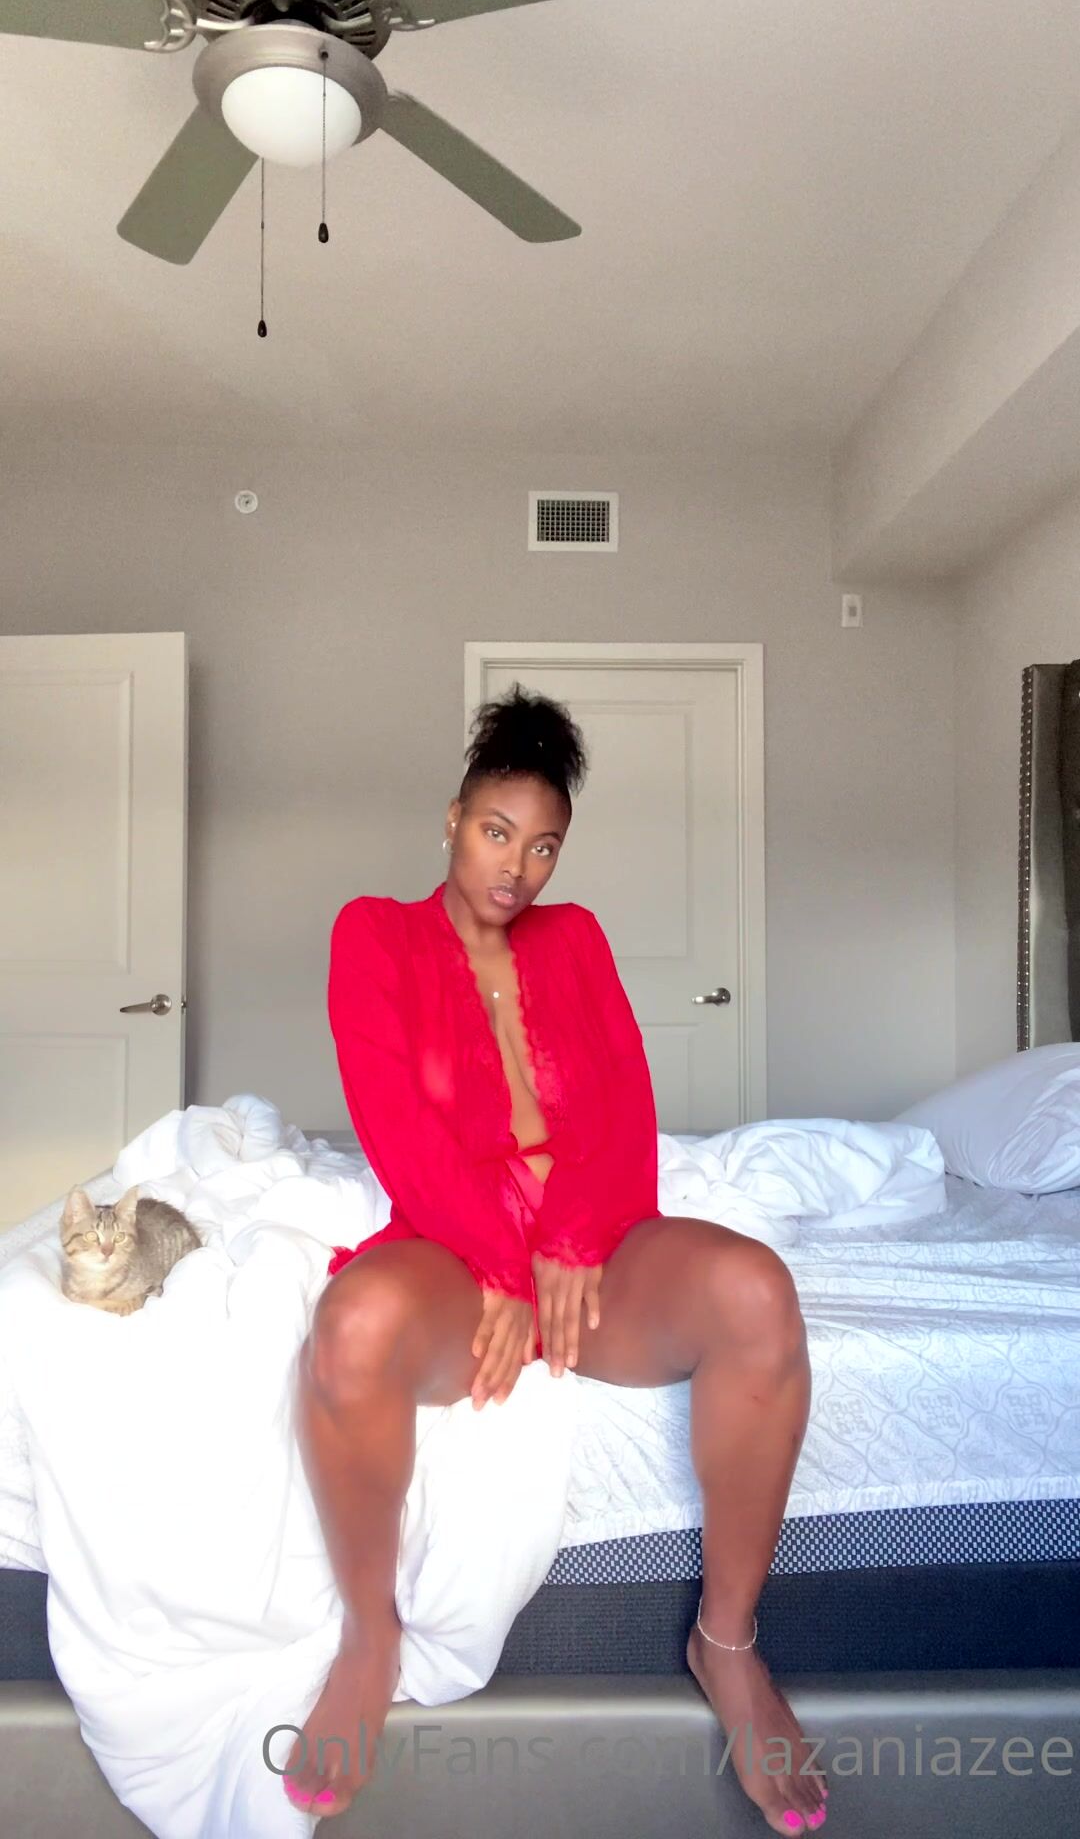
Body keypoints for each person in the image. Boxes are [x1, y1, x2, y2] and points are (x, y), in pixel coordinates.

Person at [285, 684, 827, 1835]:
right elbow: (395, 1124)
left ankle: (727, 1641)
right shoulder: (372, 933)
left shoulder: (574, 938)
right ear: (452, 819)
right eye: (497, 832)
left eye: (543, 846)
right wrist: (500, 1264)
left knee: (755, 1292)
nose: (516, 868)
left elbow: (624, 1108)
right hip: (455, 1246)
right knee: (352, 1329)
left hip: (594, 1246)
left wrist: (571, 1242)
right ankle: (371, 1636)